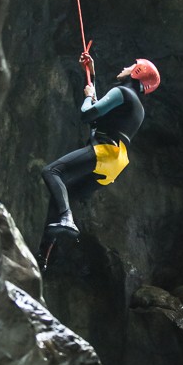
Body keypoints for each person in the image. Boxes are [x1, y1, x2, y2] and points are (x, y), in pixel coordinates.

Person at [36, 51, 161, 271]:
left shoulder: (121, 91)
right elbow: (102, 117)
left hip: (105, 151)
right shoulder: (137, 107)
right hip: (115, 164)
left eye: (132, 66)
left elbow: (88, 114)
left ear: (138, 72)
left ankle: (66, 219)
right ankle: (43, 256)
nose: (126, 67)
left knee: (52, 172)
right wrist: (91, 76)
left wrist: (87, 96)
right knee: (61, 195)